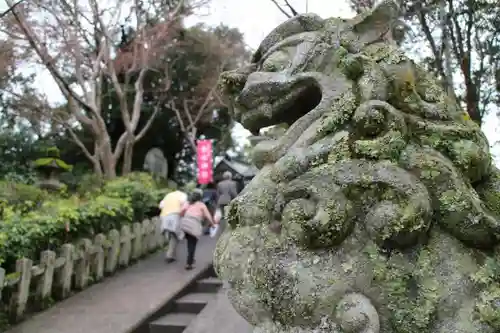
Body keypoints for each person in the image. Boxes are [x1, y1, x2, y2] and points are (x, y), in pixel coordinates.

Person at [180, 190, 216, 270]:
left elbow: (181, 212)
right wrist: (213, 224)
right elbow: (208, 216)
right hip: (194, 224)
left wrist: (183, 216)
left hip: (185, 223)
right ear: (200, 197)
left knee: (190, 243)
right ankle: (189, 263)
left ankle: (191, 259)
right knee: (192, 244)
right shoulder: (201, 205)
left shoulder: (187, 203)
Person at [159, 189, 188, 263]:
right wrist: (183, 214)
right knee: (175, 235)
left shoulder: (168, 195)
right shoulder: (183, 195)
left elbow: (161, 206)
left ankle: (172, 254)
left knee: (170, 235)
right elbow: (184, 206)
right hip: (175, 216)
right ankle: (169, 255)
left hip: (164, 216)